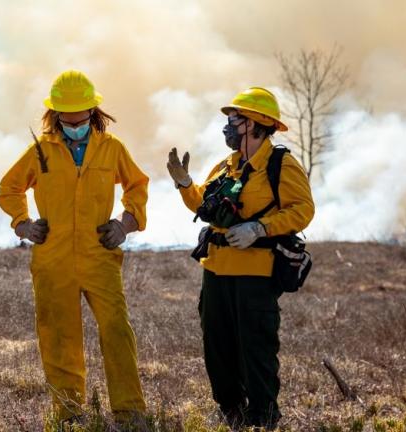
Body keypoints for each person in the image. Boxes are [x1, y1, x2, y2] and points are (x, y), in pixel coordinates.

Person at [0, 70, 150, 430]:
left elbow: (137, 185)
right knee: (58, 334)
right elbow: (9, 188)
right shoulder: (40, 151)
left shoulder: (112, 149)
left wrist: (124, 224)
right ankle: (68, 413)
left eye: (80, 112)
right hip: (53, 258)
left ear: (93, 110)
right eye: (67, 113)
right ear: (56, 113)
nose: (74, 120)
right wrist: (23, 224)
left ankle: (129, 413)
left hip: (100, 256)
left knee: (116, 329)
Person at [166, 87, 315, 429]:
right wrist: (185, 184)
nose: (228, 125)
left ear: (257, 124)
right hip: (216, 268)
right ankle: (231, 412)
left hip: (256, 272)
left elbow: (303, 211)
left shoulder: (281, 165)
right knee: (216, 343)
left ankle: (263, 416)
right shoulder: (226, 166)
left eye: (235, 118)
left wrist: (259, 229)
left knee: (256, 347)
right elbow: (205, 206)